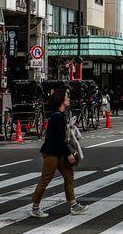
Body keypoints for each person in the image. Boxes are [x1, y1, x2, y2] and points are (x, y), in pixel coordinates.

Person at [30, 90, 86, 218]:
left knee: (69, 176)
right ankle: (35, 208)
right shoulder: (57, 117)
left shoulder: (60, 115)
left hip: (58, 152)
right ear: (61, 100)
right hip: (52, 152)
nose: (68, 99)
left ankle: (74, 205)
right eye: (66, 97)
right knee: (45, 179)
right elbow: (59, 139)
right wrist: (69, 154)